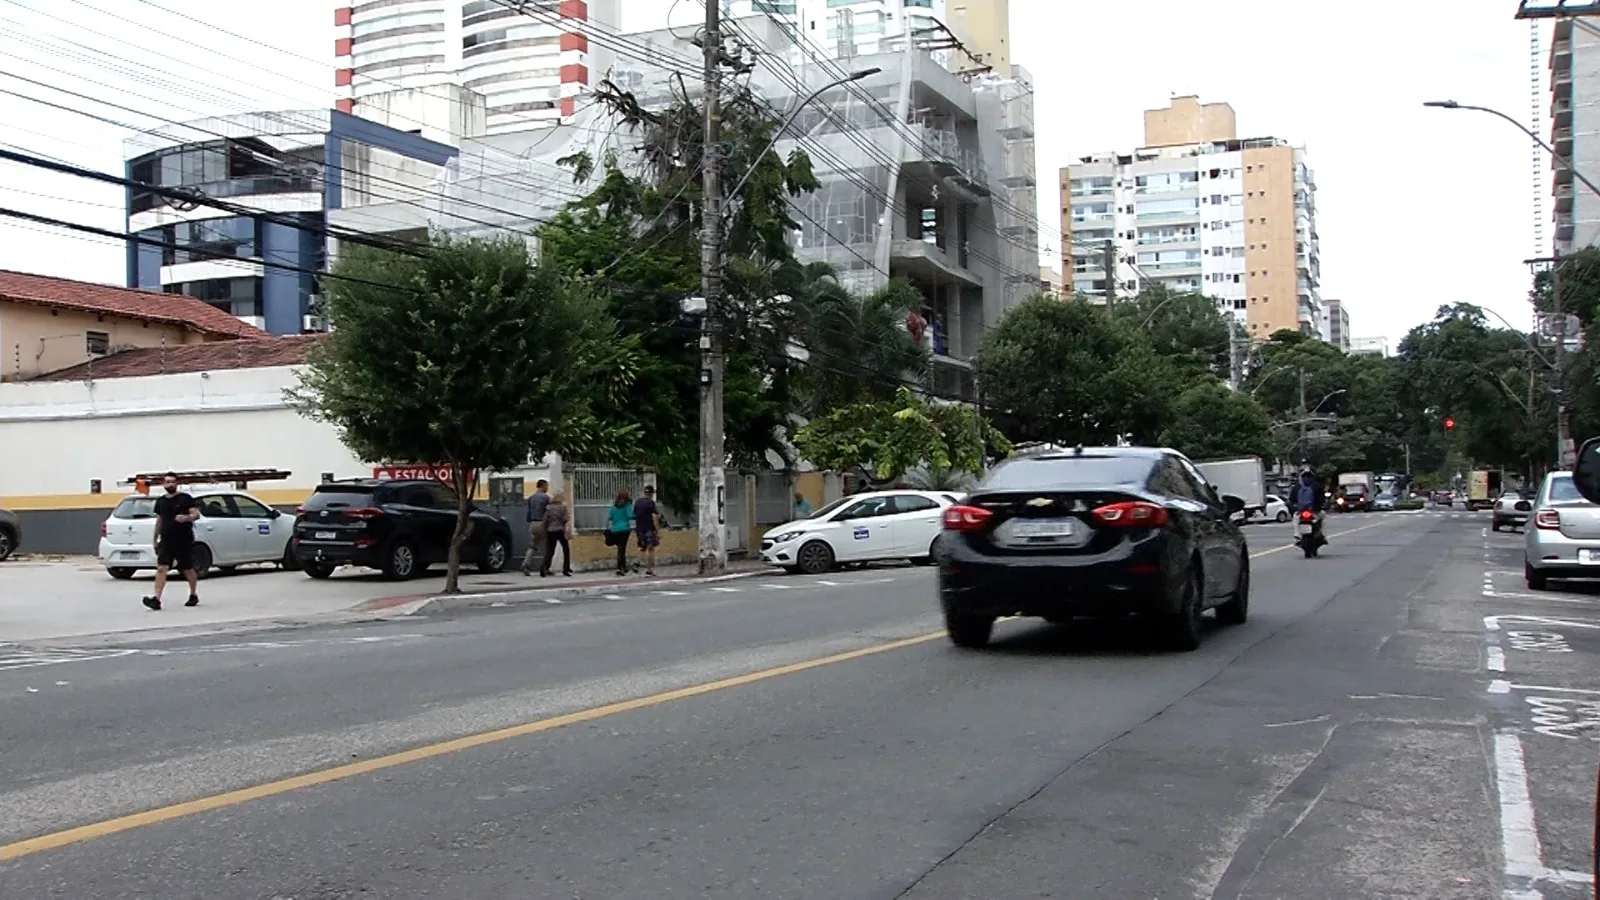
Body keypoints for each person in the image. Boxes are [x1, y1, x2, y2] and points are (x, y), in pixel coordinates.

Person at [143, 472, 201, 611]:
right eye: (167, 482)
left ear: (177, 483)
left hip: (183, 540)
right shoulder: (161, 501)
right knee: (162, 568)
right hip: (166, 540)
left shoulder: (185, 499)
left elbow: (196, 514)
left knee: (187, 569)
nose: (170, 484)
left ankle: (193, 594)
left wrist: (186, 518)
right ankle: (156, 599)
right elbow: (160, 520)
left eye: (172, 482)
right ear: (164, 484)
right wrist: (155, 538)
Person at [540, 490, 574, 577]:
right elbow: (566, 519)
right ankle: (566, 569)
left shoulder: (548, 507)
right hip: (560, 530)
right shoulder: (563, 507)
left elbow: (545, 520)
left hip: (550, 530)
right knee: (566, 549)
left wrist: (544, 529)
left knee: (550, 550)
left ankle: (544, 566)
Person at [521, 479, 550, 576]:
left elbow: (528, 512)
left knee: (532, 546)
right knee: (546, 547)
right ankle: (545, 567)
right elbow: (549, 511)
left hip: (533, 524)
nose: (547, 488)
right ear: (542, 486)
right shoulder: (546, 498)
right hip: (543, 523)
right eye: (546, 486)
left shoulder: (531, 498)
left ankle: (526, 563)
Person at [633, 484, 661, 576]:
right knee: (650, 548)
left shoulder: (637, 502)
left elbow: (634, 515)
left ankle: (637, 562)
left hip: (639, 529)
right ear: (652, 493)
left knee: (642, 547)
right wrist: (657, 530)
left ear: (644, 492)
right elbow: (654, 517)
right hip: (648, 529)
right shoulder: (651, 503)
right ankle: (649, 570)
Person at [607, 490, 633, 575]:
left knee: (620, 548)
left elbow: (610, 518)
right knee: (622, 549)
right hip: (624, 529)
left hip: (614, 530)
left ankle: (623, 566)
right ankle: (620, 567)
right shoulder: (627, 506)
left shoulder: (613, 507)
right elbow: (630, 516)